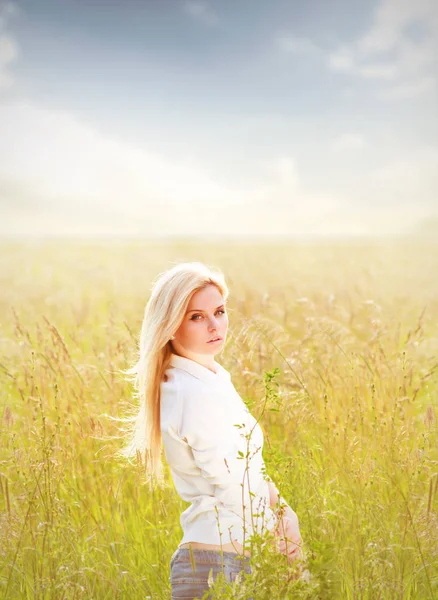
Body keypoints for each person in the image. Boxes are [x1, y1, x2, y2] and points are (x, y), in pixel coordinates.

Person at [119, 261, 303, 599]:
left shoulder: (207, 378)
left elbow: (249, 467)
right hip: (221, 563)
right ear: (170, 325)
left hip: (224, 554)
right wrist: (280, 544)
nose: (214, 325)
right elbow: (231, 482)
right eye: (196, 317)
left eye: (219, 311)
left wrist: (285, 512)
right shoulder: (193, 392)